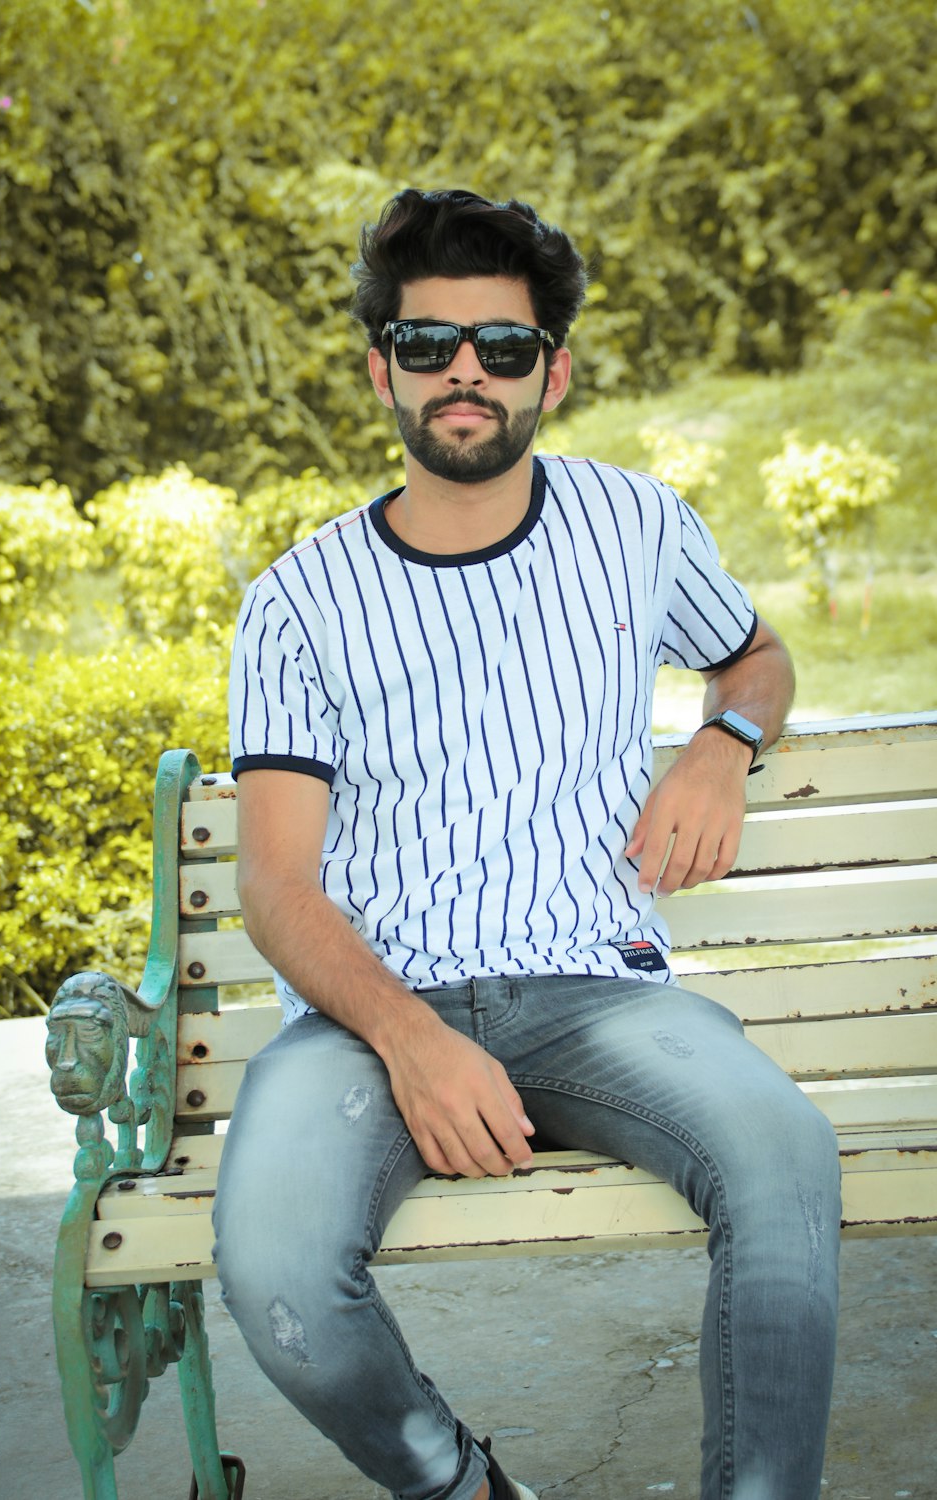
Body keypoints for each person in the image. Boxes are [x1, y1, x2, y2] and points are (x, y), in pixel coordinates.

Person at [214, 188, 841, 1500]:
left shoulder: (637, 529)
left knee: (781, 1163)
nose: (464, 374)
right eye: (427, 342)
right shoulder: (299, 604)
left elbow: (757, 657)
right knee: (277, 1270)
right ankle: (466, 1491)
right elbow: (276, 885)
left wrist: (724, 744)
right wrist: (411, 1037)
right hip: (368, 1021)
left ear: (550, 369)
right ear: (377, 364)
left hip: (597, 993)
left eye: (502, 348)